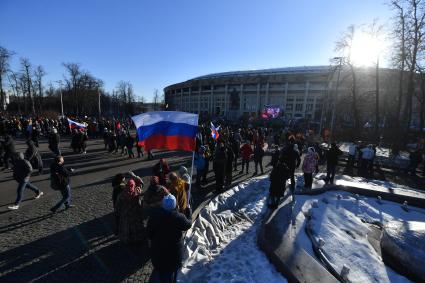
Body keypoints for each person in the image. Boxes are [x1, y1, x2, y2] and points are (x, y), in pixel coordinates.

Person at [147, 194, 192, 283]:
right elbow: (188, 224)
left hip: (159, 253)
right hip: (174, 254)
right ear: (175, 205)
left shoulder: (154, 217)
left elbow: (149, 233)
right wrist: (188, 212)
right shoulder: (179, 217)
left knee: (163, 273)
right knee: (171, 273)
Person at [114, 179, 145, 244]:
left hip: (125, 215)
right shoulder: (136, 194)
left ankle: (127, 240)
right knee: (135, 229)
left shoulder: (121, 195)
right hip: (135, 215)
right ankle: (135, 240)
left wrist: (119, 213)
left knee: (126, 228)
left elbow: (117, 206)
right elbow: (140, 205)